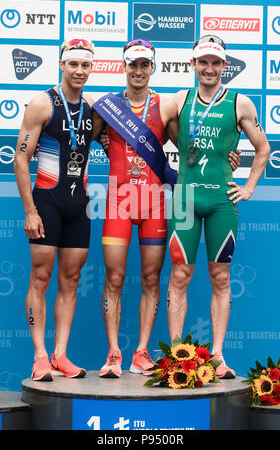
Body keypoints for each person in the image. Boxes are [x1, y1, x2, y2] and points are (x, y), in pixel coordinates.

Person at [94, 38, 240, 378]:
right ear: (124, 66)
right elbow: (82, 142)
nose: (139, 70)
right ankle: (113, 353)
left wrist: (227, 157)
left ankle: (141, 352)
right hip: (118, 200)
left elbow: (191, 149)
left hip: (154, 203)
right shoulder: (107, 107)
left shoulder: (165, 107)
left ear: (153, 67)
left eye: (145, 64)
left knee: (150, 279)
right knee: (113, 278)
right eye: (134, 64)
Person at [167, 35, 270, 378]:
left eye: (215, 62)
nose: (209, 68)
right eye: (203, 61)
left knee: (220, 277)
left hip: (222, 202)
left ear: (224, 66)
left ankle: (218, 355)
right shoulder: (179, 100)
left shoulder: (241, 103)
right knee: (180, 275)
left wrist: (250, 187)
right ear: (193, 64)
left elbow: (264, 149)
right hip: (184, 200)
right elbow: (149, 131)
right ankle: (176, 356)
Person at [14, 39, 96, 381]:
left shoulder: (93, 109)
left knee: (71, 281)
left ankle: (61, 354)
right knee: (41, 278)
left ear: (92, 69)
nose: (79, 70)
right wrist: (30, 211)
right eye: (73, 64)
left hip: (79, 206)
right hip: (46, 202)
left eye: (85, 65)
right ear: (61, 65)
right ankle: (40, 356)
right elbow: (20, 157)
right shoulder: (40, 103)